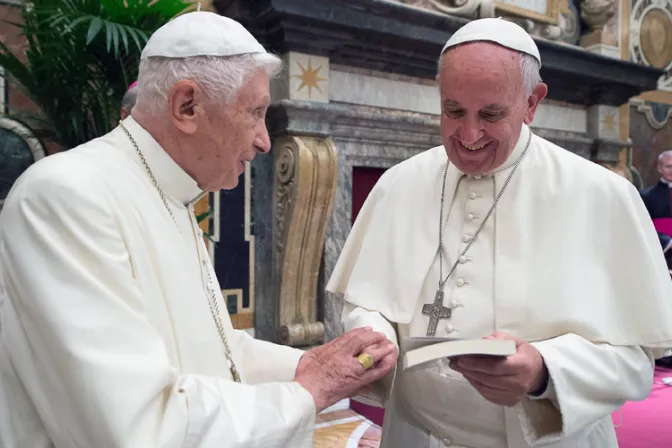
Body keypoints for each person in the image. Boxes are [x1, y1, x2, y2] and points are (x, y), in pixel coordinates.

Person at [0, 12, 397, 448]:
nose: (265, 140)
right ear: (187, 106)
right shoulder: (66, 197)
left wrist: (310, 365)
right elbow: (137, 426)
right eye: (257, 114)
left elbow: (219, 352)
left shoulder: (172, 193)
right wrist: (312, 389)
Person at [327, 18, 672, 448]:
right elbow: (366, 301)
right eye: (453, 111)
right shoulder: (399, 183)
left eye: (491, 114)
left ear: (532, 103)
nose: (468, 135)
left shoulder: (602, 195)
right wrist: (374, 335)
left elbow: (635, 361)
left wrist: (544, 371)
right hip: (416, 435)